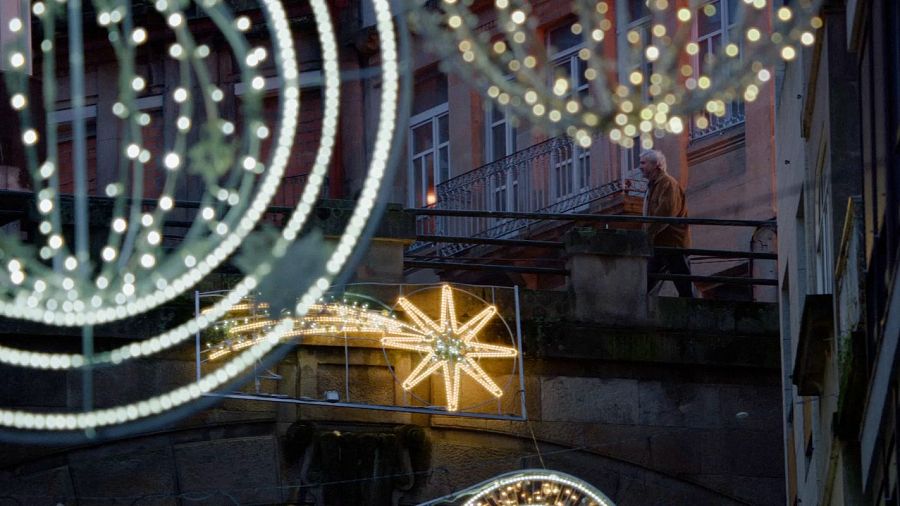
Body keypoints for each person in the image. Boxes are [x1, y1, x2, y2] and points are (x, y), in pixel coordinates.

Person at [639, 149, 694, 297]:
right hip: (661, 243)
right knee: (646, 283)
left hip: (672, 243)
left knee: (683, 285)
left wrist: (646, 234)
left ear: (656, 165)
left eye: (643, 163)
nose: (640, 167)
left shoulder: (667, 183)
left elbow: (665, 212)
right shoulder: (654, 185)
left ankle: (691, 307)